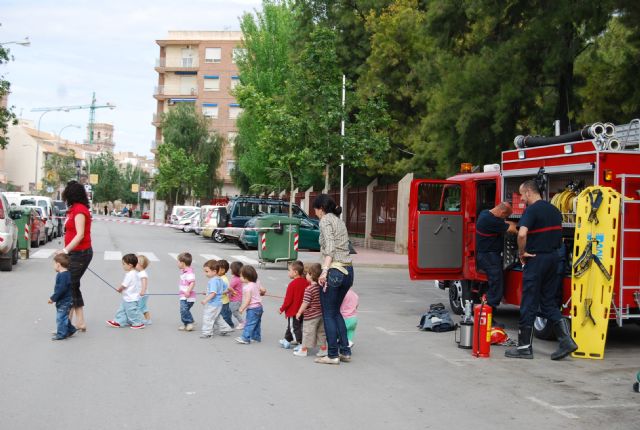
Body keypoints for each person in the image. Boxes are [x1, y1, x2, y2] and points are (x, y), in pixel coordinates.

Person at [505, 180, 578, 360]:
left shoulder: (532, 210)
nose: (522, 198)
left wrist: (522, 252)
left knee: (529, 302)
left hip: (536, 259)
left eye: (523, 194)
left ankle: (523, 347)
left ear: (529, 192)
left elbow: (521, 233)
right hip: (554, 259)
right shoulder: (554, 209)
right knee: (548, 303)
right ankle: (566, 341)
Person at [313, 193, 353, 365]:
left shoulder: (325, 220)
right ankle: (345, 351)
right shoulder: (339, 220)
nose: (314, 212)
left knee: (328, 314)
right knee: (336, 312)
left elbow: (329, 247)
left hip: (334, 270)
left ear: (320, 209)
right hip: (348, 271)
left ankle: (332, 354)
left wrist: (324, 271)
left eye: (315, 209)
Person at [56, 180, 93, 332]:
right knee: (73, 285)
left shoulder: (79, 210)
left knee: (69, 285)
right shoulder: (73, 209)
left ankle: (68, 323)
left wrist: (64, 251)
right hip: (74, 252)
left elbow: (80, 235)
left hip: (81, 253)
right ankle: (78, 322)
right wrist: (65, 249)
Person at [475, 202, 517, 328]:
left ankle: (485, 313)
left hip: (486, 256)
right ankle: (488, 318)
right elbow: (512, 229)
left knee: (494, 285)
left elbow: (507, 224)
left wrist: (508, 223)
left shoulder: (485, 214)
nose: (505, 219)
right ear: (502, 212)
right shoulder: (491, 221)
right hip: (489, 257)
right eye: (505, 216)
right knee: (496, 287)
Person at [293, 263, 327, 358]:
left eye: (307, 274)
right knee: (321, 332)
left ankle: (304, 350)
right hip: (321, 314)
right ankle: (323, 349)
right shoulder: (321, 287)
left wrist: (299, 312)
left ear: (311, 275)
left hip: (311, 315)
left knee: (307, 332)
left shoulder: (309, 289)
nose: (306, 275)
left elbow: (305, 302)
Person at [106, 254, 145, 329]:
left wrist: (119, 289)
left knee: (132, 312)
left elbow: (124, 285)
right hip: (128, 297)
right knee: (122, 310)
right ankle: (118, 321)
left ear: (130, 265)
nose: (123, 266)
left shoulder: (129, 275)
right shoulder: (136, 273)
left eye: (124, 264)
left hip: (131, 299)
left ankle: (138, 323)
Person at [200, 260, 234, 338]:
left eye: (207, 271)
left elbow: (213, 293)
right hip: (219, 303)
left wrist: (206, 299)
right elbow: (225, 289)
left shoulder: (213, 281)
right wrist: (207, 293)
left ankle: (207, 333)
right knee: (217, 317)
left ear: (214, 271)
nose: (205, 273)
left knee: (208, 317)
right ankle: (225, 328)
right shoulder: (220, 279)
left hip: (213, 303)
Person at [279, 260, 308, 349]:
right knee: (293, 326)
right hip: (303, 310)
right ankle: (287, 340)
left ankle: (300, 343)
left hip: (293, 311)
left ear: (295, 272)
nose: (288, 272)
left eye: (289, 270)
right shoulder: (306, 282)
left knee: (294, 327)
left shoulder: (292, 284)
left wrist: (282, 309)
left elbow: (288, 300)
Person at [48, 253, 77, 341]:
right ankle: (71, 329)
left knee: (60, 317)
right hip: (66, 300)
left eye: (54, 264)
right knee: (64, 316)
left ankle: (61, 334)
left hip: (65, 301)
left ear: (58, 264)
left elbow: (61, 289)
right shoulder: (66, 274)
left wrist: (53, 298)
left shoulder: (62, 275)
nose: (53, 266)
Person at [235, 265, 265, 345]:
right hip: (259, 307)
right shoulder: (255, 283)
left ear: (246, 277)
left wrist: (242, 308)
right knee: (256, 323)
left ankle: (245, 338)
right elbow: (262, 291)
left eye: (241, 276)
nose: (240, 278)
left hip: (253, 308)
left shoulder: (247, 287)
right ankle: (256, 337)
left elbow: (248, 300)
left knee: (249, 323)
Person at [177, 252, 196, 332]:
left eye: (178, 262)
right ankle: (186, 324)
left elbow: (192, 282)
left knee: (184, 310)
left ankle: (190, 322)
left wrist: (188, 291)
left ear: (182, 263)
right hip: (183, 295)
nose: (177, 263)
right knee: (183, 310)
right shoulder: (184, 271)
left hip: (187, 297)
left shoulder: (189, 273)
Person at [228, 261, 245, 329]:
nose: (230, 270)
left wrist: (221, 292)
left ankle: (242, 322)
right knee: (233, 311)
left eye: (231, 269)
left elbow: (229, 288)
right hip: (237, 298)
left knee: (234, 312)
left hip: (235, 299)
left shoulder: (235, 279)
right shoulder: (238, 278)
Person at [218, 260, 234, 328]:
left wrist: (218, 293)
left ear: (222, 270)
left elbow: (227, 290)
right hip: (220, 300)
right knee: (221, 314)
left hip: (224, 301)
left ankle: (229, 324)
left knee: (225, 314)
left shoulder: (224, 279)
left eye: (216, 269)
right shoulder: (219, 278)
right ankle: (224, 325)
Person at [136, 255, 151, 324]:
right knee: (143, 307)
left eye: (135, 263)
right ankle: (148, 320)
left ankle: (137, 320)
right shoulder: (139, 272)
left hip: (142, 294)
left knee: (138, 307)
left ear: (140, 264)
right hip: (143, 294)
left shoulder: (142, 273)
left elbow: (144, 282)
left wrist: (143, 291)